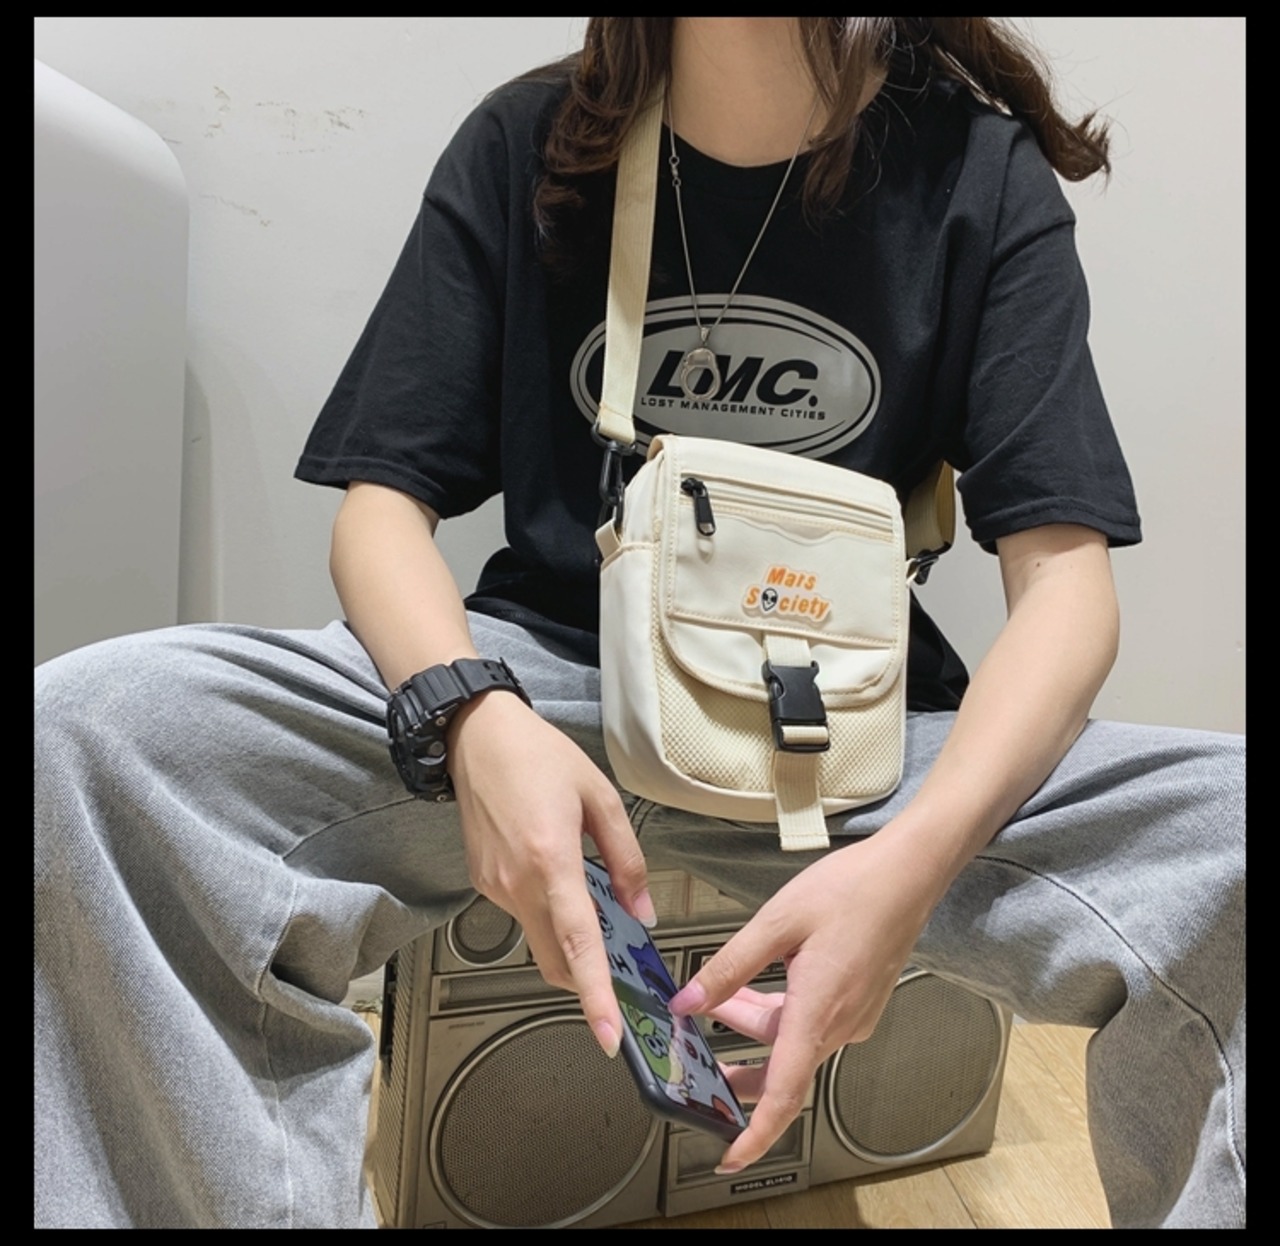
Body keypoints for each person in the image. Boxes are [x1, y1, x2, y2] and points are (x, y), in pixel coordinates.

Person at [34, 17, 1244, 1229]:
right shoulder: (526, 142)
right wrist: (468, 718)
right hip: (540, 691)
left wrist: (911, 865)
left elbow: (1065, 585)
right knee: (99, 732)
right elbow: (380, 509)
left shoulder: (973, 173)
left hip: (842, 741)